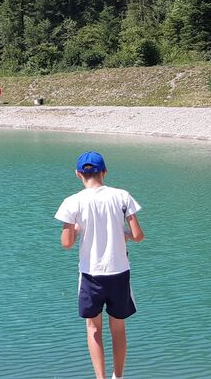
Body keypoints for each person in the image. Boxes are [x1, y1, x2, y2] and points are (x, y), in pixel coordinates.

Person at [55, 151, 145, 379]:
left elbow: (66, 243)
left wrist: (77, 228)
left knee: (93, 328)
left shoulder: (73, 202)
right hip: (119, 272)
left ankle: (100, 378)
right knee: (118, 327)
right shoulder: (122, 196)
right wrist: (123, 234)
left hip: (90, 274)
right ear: (104, 172)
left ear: (78, 174)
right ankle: (119, 376)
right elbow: (137, 235)